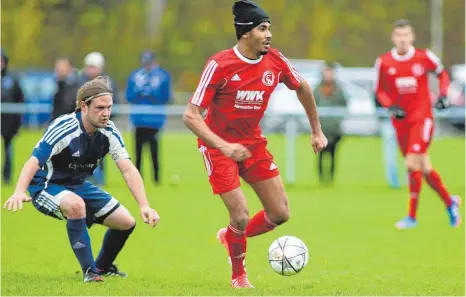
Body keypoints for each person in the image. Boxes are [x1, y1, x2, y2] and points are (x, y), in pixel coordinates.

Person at [183, 0, 327, 288]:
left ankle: (231, 237)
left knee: (280, 213)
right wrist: (223, 146)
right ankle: (239, 276)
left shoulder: (276, 60)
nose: (269, 34)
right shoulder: (219, 64)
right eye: (263, 28)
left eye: (270, 28)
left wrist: (316, 131)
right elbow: (190, 115)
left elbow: (303, 87)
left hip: (252, 143)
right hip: (217, 145)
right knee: (239, 213)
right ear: (246, 32)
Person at [3, 76, 160, 282]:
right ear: (84, 106)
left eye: (109, 107)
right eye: (100, 108)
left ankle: (102, 267)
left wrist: (144, 205)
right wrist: (19, 190)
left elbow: (128, 169)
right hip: (46, 186)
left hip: (77, 185)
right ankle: (90, 272)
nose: (106, 113)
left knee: (126, 222)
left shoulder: (109, 131)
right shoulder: (65, 128)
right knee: (76, 205)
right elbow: (33, 161)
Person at [374, 19, 460, 229]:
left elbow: (443, 75)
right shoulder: (384, 62)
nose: (402, 39)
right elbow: (380, 91)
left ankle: (412, 216)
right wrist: (390, 106)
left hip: (422, 119)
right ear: (393, 38)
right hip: (400, 122)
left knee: (412, 164)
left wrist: (443, 95)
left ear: (411, 37)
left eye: (406, 35)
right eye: (398, 35)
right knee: (424, 168)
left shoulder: (424, 57)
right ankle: (450, 202)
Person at [126, 50, 172, 183]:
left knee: (154, 152)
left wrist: (151, 93)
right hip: (138, 119)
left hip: (154, 120)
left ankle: (156, 179)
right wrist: (140, 92)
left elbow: (166, 97)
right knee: (138, 153)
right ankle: (137, 179)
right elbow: (129, 96)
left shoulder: (162, 76)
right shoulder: (135, 76)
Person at [79, 51, 119, 185]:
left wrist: (104, 118)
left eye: (93, 66)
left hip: (102, 125)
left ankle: (99, 180)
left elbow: (115, 102)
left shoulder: (108, 84)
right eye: (89, 66)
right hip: (83, 125)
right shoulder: (80, 83)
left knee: (100, 151)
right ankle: (82, 179)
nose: (91, 69)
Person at [313, 62, 347, 185]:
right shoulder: (317, 89)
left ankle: (331, 178)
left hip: (334, 129)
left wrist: (338, 121)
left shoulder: (338, 89)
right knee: (320, 155)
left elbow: (345, 105)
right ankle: (321, 178)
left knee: (333, 155)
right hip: (321, 129)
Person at [1, 48, 25, 184]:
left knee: (8, 150)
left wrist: (18, 122)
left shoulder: (12, 79)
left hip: (8, 122)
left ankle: (6, 176)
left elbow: (20, 100)